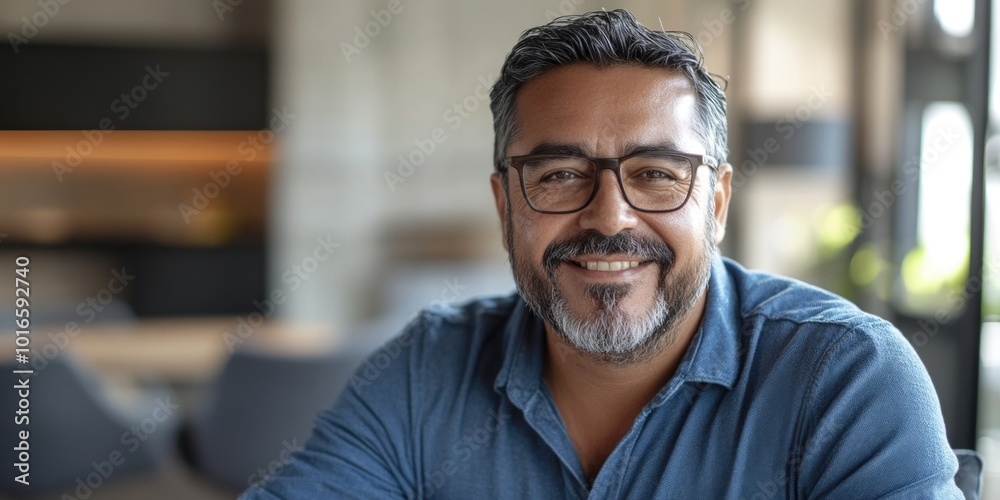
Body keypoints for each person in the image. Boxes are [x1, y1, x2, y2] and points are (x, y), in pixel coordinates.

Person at [243, 9, 962, 499]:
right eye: (559, 175)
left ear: (715, 205)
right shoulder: (426, 369)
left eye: (656, 173)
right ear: (505, 207)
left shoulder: (843, 377)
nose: (609, 216)